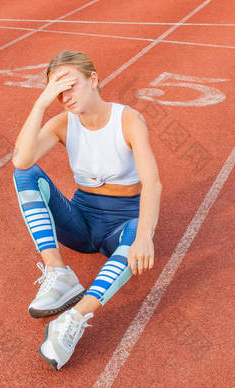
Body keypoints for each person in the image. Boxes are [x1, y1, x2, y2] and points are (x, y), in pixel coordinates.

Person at [12, 50, 162, 370]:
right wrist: (40, 103)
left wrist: (145, 237)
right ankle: (58, 273)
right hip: (80, 223)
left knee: (138, 233)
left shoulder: (128, 120)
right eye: (58, 90)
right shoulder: (62, 123)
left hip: (122, 223)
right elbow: (22, 160)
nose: (66, 96)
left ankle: (73, 317)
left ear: (93, 80)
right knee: (24, 174)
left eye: (72, 85)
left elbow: (153, 184)